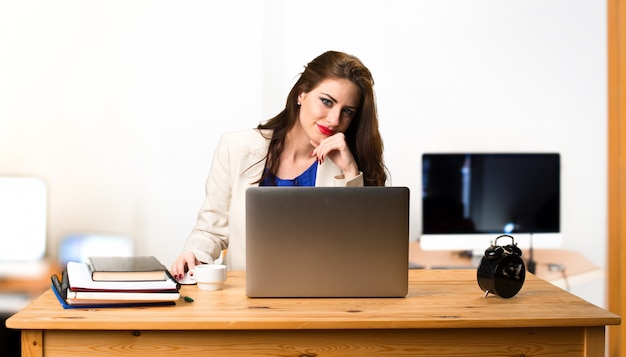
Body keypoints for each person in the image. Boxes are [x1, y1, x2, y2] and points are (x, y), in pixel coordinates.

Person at [170, 50, 387, 279]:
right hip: (246, 297)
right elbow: (211, 229)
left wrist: (350, 173)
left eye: (347, 111)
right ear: (301, 94)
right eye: (326, 101)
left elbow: (362, 251)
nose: (334, 120)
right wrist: (194, 254)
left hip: (324, 297)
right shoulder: (236, 148)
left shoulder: (350, 166)